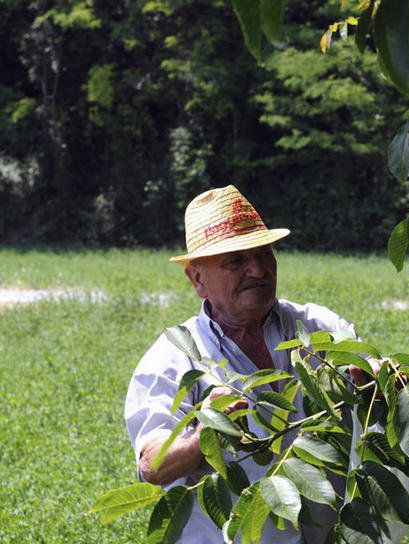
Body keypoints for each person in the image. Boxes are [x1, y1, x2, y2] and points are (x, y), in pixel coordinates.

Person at [124, 185, 373, 543]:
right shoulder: (172, 359)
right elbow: (152, 465)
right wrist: (203, 434)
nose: (258, 269)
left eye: (263, 252)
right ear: (197, 279)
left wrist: (378, 379)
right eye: (236, 260)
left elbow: (369, 379)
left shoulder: (318, 328)